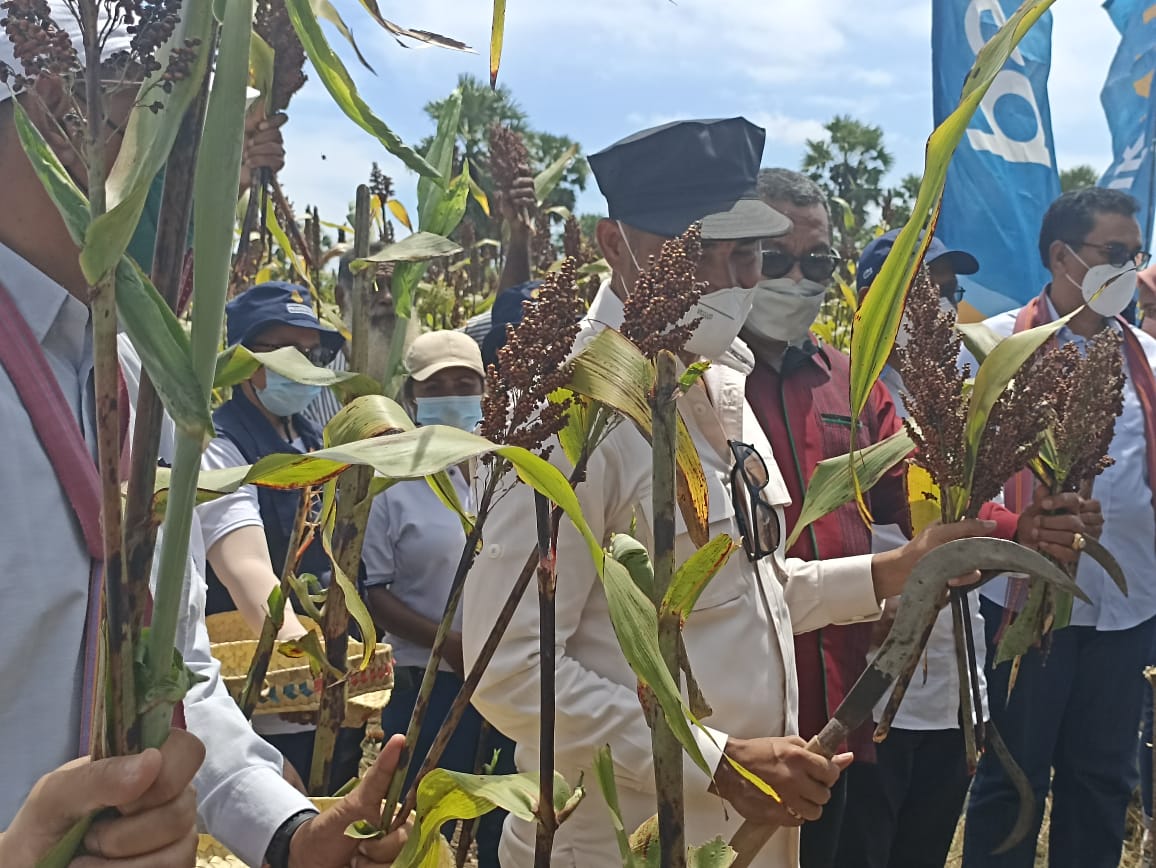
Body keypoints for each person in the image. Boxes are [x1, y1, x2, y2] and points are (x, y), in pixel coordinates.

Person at [463, 117, 1000, 868]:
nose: (728, 281)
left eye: (747, 254)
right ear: (612, 244)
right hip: (619, 841)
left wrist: (890, 573)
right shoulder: (566, 409)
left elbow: (750, 589)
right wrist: (715, 760)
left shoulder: (717, 382)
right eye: (691, 255)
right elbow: (508, 668)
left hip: (745, 835)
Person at [0, 9, 407, 866]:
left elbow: (176, 676)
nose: (201, 176)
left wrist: (290, 834)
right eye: (178, 132)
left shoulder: (137, 379)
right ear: (49, 105)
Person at [961, 187, 1156, 868]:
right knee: (1012, 781)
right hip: (1021, 605)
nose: (1130, 269)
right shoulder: (991, 350)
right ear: (1062, 256)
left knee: (1102, 780)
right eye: (1115, 254)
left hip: (1126, 610)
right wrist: (1017, 526)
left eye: (1136, 254)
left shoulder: (1149, 360)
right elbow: (948, 487)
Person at [198, 280, 367, 790]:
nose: (304, 364)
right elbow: (246, 569)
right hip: (260, 694)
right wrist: (308, 666)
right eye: (288, 351)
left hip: (325, 686)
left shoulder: (318, 443)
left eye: (311, 352)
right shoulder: (218, 446)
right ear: (245, 361)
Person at [362, 329, 516, 867]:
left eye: (465, 383)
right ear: (412, 398)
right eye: (438, 386)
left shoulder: (507, 467)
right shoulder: (393, 478)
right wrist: (448, 645)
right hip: (425, 681)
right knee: (421, 821)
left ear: (487, 389)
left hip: (503, 679)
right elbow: (374, 591)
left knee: (501, 819)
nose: (455, 394)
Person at [305, 245, 397, 429]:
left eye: (396, 287)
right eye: (373, 287)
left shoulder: (425, 378)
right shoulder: (311, 385)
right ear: (341, 298)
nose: (387, 297)